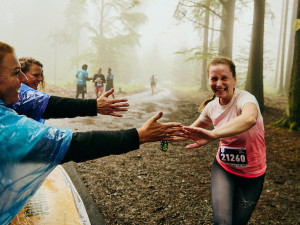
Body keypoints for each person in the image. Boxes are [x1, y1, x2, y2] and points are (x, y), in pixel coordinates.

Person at [0, 41, 183, 225]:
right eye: (16, 73)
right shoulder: (5, 128)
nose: (23, 79)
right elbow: (72, 143)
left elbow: (44, 105)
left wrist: (94, 106)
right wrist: (140, 135)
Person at [180, 56, 266, 225]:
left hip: (253, 174)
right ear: (209, 80)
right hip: (224, 169)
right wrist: (161, 136)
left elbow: (249, 118)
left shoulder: (246, 99)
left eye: (224, 78)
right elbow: (190, 131)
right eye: (214, 79)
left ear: (234, 79)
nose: (218, 83)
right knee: (222, 223)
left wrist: (213, 134)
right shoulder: (211, 107)